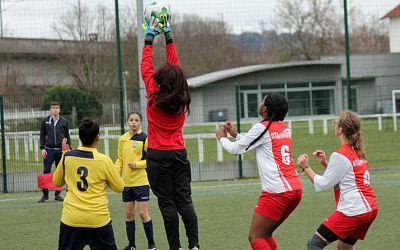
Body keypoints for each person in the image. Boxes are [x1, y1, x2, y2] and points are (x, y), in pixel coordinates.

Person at [140, 16, 200, 250]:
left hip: (156, 156)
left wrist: (149, 38)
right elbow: (176, 68)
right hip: (178, 154)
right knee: (184, 200)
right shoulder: (182, 96)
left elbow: (146, 66)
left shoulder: (153, 93)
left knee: (167, 204)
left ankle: (175, 247)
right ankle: (194, 245)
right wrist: (169, 37)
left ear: (160, 80)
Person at [216, 93, 302, 250]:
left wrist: (222, 138)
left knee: (255, 236)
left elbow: (236, 149)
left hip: (278, 192)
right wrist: (236, 135)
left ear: (265, 108)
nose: (260, 102)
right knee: (265, 234)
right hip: (295, 189)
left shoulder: (262, 127)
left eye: (263, 100)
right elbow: (261, 147)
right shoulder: (284, 128)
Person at [296, 111, 378, 250]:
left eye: (336, 123)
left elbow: (321, 185)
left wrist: (305, 167)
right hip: (370, 209)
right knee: (344, 247)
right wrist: (324, 163)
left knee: (315, 243)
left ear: (340, 130)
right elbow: (346, 176)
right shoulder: (358, 149)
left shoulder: (340, 154)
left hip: (354, 209)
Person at [53, 118, 124, 250]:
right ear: (98, 137)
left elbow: (57, 182)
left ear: (79, 137)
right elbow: (119, 187)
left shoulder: (68, 157)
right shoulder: (104, 160)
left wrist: (64, 155)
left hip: (71, 218)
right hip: (97, 219)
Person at [115, 112, 156, 250]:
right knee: (128, 214)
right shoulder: (122, 139)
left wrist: (137, 164)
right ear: (127, 122)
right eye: (131, 120)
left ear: (140, 122)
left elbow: (150, 160)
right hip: (126, 183)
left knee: (143, 214)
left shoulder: (145, 138)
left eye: (136, 120)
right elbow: (120, 159)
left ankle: (151, 245)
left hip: (141, 182)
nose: (133, 122)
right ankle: (131, 245)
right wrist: (114, 173)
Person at [39, 101, 71, 202]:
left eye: (57, 108)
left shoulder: (64, 121)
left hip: (60, 151)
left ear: (59, 109)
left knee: (60, 172)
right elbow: (42, 136)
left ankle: (57, 194)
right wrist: (42, 148)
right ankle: (45, 195)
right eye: (53, 108)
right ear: (50, 110)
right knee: (46, 172)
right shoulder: (45, 121)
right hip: (48, 150)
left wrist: (68, 148)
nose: (55, 109)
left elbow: (67, 136)